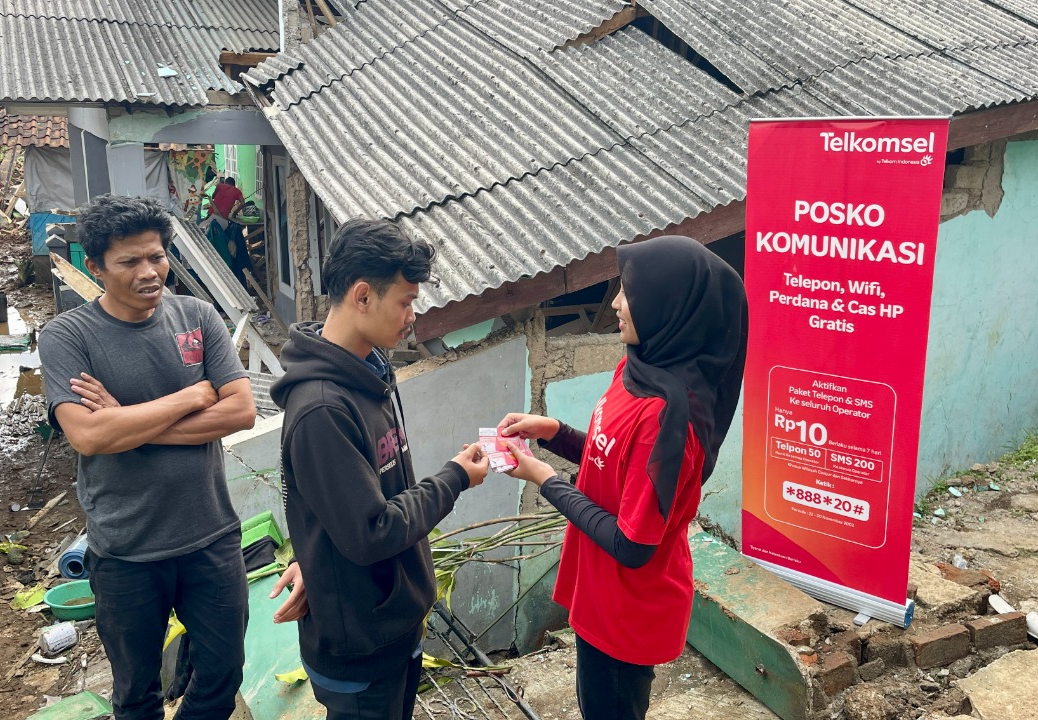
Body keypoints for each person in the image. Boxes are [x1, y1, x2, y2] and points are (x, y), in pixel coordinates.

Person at [497, 235, 747, 720]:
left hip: (627, 613)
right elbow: (610, 457)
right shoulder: (637, 369)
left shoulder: (669, 421)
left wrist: (546, 481)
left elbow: (635, 545)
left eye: (628, 292)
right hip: (600, 594)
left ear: (668, 306)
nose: (615, 303)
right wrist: (553, 433)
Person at [39, 194, 257, 720]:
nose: (149, 271)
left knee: (223, 674)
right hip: (127, 551)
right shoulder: (68, 337)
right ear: (94, 267)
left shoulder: (198, 317)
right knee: (137, 693)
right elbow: (89, 437)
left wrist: (130, 423)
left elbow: (242, 412)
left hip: (211, 535)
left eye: (156, 256)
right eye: (129, 261)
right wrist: (191, 395)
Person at [268, 218, 491, 720]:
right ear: (362, 296)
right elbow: (371, 529)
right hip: (361, 648)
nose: (413, 316)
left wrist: (315, 560)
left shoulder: (369, 369)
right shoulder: (323, 409)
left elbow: (345, 507)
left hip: (392, 623)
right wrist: (455, 477)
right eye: (406, 301)